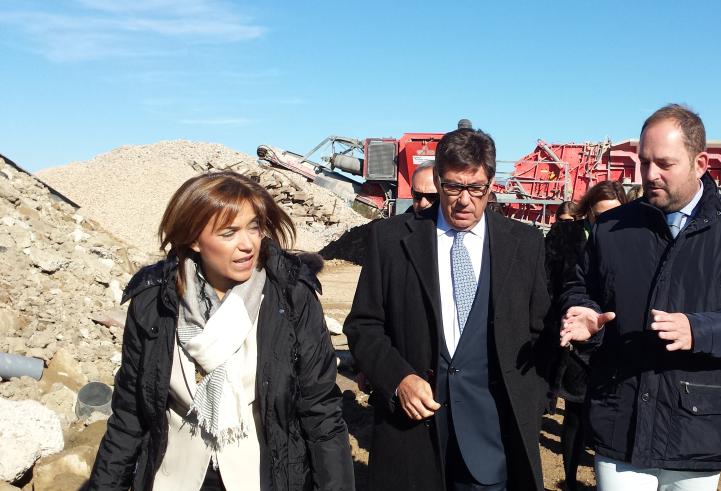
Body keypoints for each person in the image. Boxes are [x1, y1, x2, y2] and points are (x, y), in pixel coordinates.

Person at [558, 104, 721, 491]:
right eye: (644, 162)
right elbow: (580, 287)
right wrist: (585, 312)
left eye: (664, 164)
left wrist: (700, 330)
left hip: (698, 427)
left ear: (700, 163)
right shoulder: (612, 228)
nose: (650, 175)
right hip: (621, 420)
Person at [87, 171, 354, 491]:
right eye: (229, 233)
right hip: (176, 478)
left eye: (254, 227)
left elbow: (322, 413)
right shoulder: (152, 302)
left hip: (262, 477)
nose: (248, 244)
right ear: (194, 239)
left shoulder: (291, 299)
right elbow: (130, 416)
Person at [344, 128, 553, 491]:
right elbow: (364, 325)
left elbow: (540, 333)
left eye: (477, 188)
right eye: (454, 187)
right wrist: (398, 379)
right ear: (438, 182)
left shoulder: (525, 244)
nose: (465, 201)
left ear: (492, 184)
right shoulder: (391, 240)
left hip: (491, 441)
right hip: (411, 437)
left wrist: (531, 403)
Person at [544, 181, 627, 491]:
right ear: (589, 213)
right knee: (577, 413)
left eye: (615, 214)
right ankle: (571, 478)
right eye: (600, 215)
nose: (607, 222)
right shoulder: (571, 241)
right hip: (580, 341)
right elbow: (558, 284)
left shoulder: (633, 243)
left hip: (617, 342)